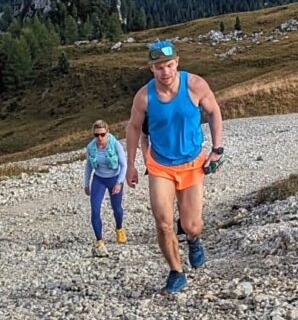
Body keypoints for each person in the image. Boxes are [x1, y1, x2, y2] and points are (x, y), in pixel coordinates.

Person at [125, 40, 224, 295]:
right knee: (163, 222)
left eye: (169, 65)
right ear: (151, 69)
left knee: (192, 224)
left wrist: (217, 148)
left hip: (192, 163)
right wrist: (132, 164)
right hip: (160, 166)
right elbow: (134, 127)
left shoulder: (195, 85)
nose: (165, 72)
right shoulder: (144, 96)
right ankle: (176, 271)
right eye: (159, 67)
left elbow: (214, 111)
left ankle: (193, 239)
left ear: (177, 63)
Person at [84, 119, 127, 255]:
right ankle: (99, 241)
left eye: (102, 134)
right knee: (95, 209)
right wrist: (86, 183)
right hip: (99, 179)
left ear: (107, 133)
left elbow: (124, 165)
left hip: (114, 178)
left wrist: (119, 182)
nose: (100, 138)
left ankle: (119, 228)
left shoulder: (115, 145)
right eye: (96, 135)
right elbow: (89, 166)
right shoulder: (91, 147)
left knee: (117, 209)